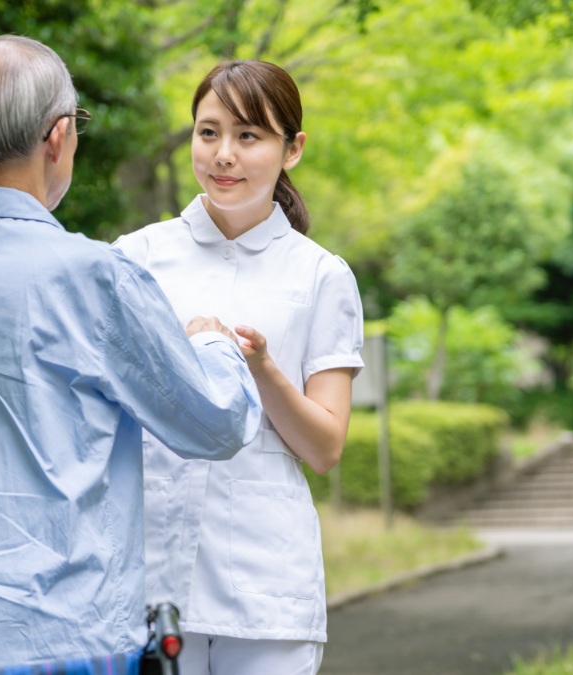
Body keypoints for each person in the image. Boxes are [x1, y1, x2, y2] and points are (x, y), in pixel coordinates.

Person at [0, 36, 263, 668]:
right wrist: (212, 342)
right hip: (64, 640)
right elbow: (214, 422)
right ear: (58, 137)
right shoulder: (94, 275)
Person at [114, 60, 364, 675]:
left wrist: (260, 368)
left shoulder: (320, 275)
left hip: (265, 582)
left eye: (248, 136)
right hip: (146, 571)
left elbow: (326, 446)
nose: (224, 154)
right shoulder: (134, 258)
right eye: (208, 132)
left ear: (292, 149)